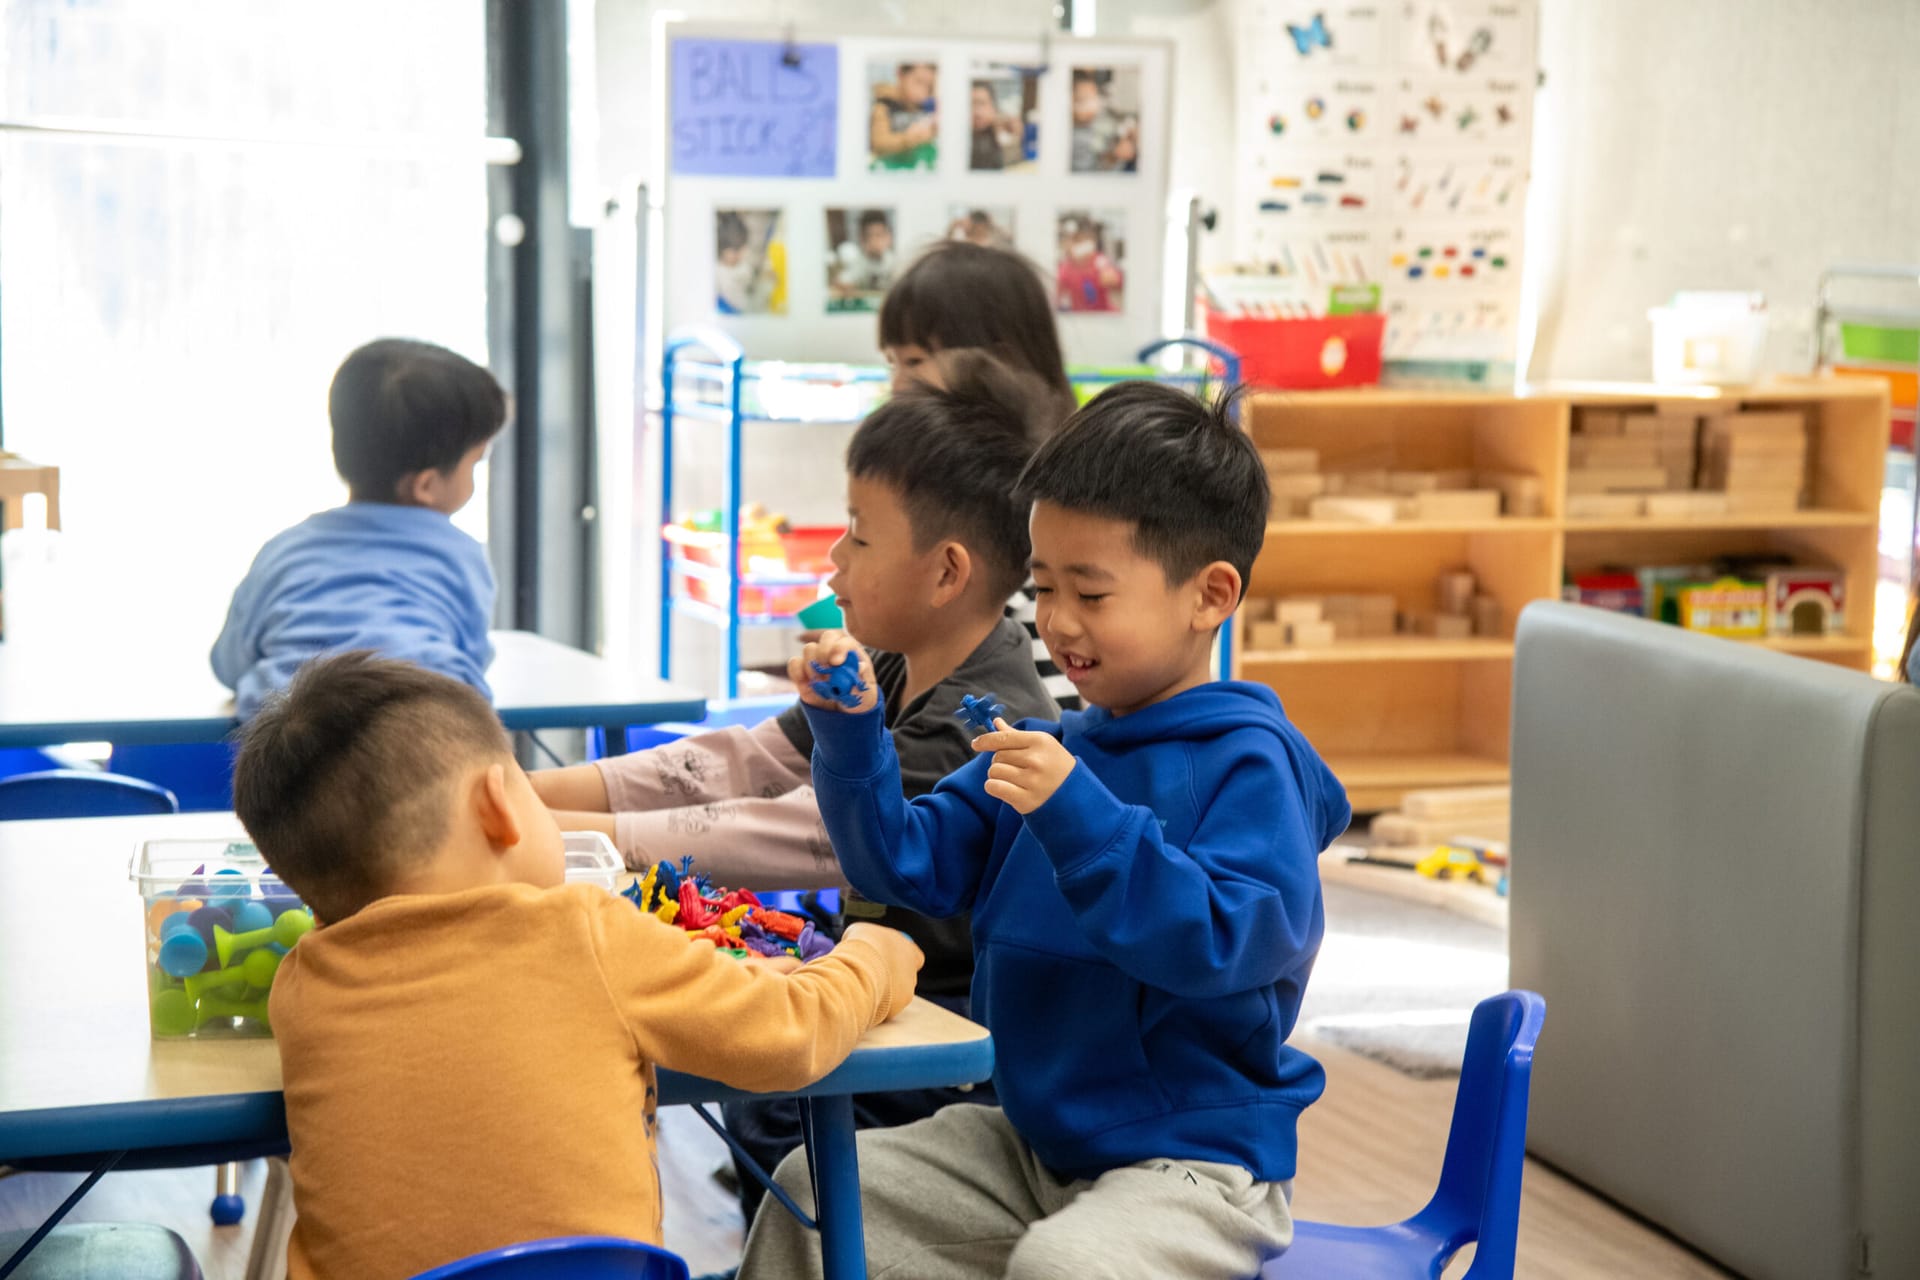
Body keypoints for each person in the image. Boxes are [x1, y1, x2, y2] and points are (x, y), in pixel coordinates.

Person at [740, 382, 1351, 1280]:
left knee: (1071, 1265)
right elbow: (899, 862)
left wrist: (1080, 816)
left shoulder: (1250, 765)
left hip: (1193, 1161)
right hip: (1032, 1142)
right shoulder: (1053, 748)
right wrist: (852, 733)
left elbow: (1223, 943)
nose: (1058, 623)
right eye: (1044, 587)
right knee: (820, 1194)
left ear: (1210, 595)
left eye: (1093, 593)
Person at [533, 373, 1059, 1220]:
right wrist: (532, 792)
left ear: (947, 571)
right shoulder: (892, 659)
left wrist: (550, 829)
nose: (833, 563)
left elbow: (794, 834)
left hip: (953, 1036)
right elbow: (743, 762)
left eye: (857, 538)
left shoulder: (978, 725)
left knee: (767, 1104)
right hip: (878, 984)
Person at [232, 652, 922, 1280]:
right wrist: (871, 954)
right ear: (500, 807)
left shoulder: (302, 988)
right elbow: (791, 1034)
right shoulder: (584, 929)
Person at [211, 339, 502, 719]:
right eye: (474, 464)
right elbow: (472, 656)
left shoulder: (284, 550)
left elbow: (229, 664)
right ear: (426, 485)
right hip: (431, 734)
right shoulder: (459, 554)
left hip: (294, 750)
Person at [878, 242, 1084, 712]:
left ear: (995, 364)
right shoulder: (939, 473)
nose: (897, 385)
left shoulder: (1024, 497)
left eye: (913, 362)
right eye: (892, 363)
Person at [870, 62, 938, 171]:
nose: (923, 91)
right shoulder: (884, 106)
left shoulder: (926, 109)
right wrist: (910, 138)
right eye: (918, 82)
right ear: (901, 74)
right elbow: (879, 144)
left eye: (929, 86)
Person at [1070, 69, 1139, 173]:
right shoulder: (1073, 139)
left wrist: (1127, 137)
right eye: (1082, 101)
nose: (1092, 105)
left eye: (1093, 97)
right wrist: (1113, 157)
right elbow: (1087, 175)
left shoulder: (1098, 121)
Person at [829, 210, 896, 310]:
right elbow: (841, 282)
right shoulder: (859, 260)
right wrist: (845, 286)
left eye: (879, 235)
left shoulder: (893, 260)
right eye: (870, 236)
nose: (875, 241)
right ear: (863, 239)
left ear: (888, 237)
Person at [1056, 216, 1125, 313]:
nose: (1083, 245)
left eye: (1086, 240)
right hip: (1081, 316)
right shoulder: (1066, 267)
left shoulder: (1099, 260)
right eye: (1077, 241)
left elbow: (1115, 281)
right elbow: (1057, 293)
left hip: (1105, 314)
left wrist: (1109, 276)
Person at [968, 81, 1016, 170]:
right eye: (972, 104)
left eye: (982, 103)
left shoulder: (1000, 132)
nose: (977, 112)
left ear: (993, 107)